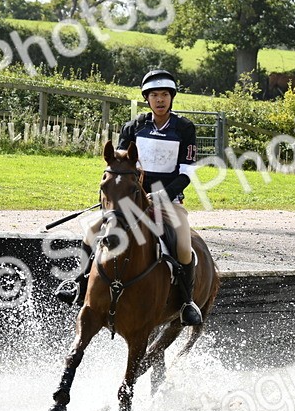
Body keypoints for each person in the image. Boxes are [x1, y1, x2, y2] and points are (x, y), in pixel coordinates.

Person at [54, 68, 204, 326]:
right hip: (130, 202)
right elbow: (119, 165)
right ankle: (78, 283)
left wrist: (161, 195)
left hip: (168, 202)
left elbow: (186, 174)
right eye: (154, 95)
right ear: (147, 98)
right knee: (91, 229)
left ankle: (187, 302)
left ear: (171, 97)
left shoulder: (184, 128)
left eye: (164, 95)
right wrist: (117, 196)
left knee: (182, 244)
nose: (160, 100)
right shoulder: (134, 127)